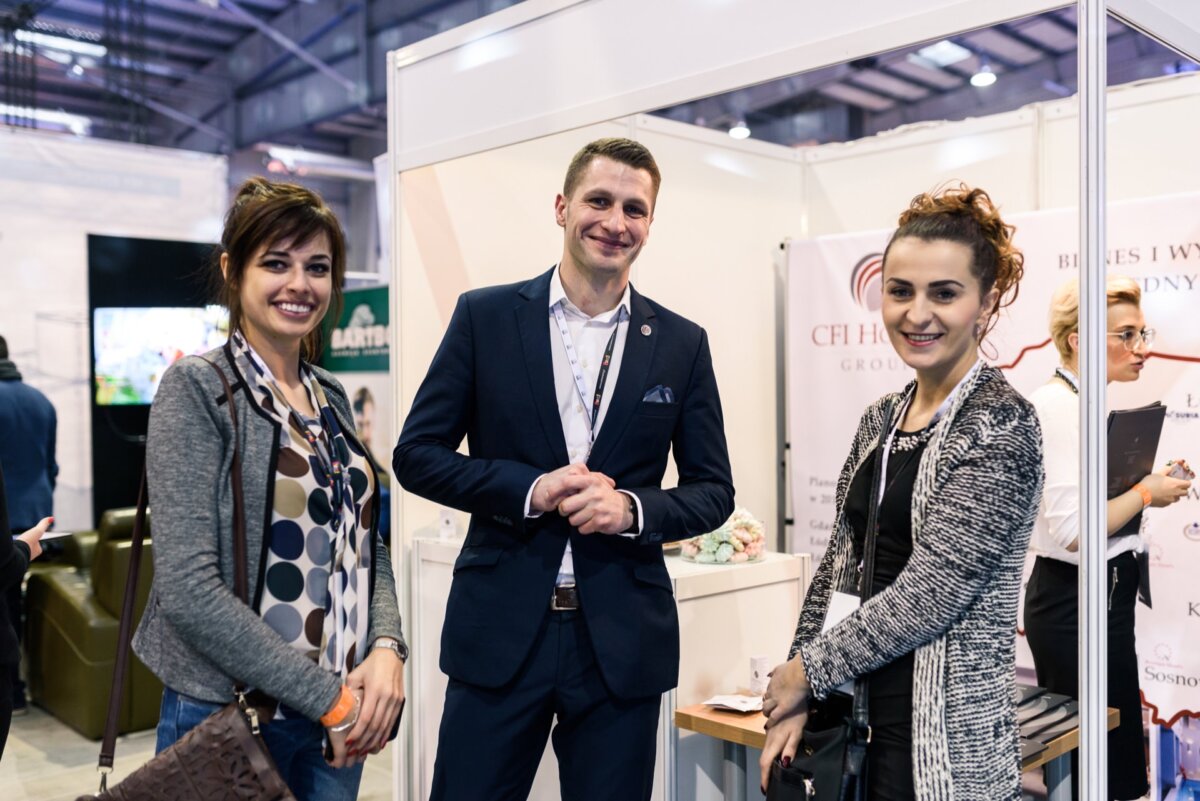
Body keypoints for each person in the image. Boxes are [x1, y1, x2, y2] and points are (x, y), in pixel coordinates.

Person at [393, 137, 735, 801]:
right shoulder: (485, 317)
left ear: (650, 223)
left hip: (620, 642)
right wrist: (528, 488)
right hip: (500, 631)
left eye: (635, 208)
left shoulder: (680, 343)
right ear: (562, 206)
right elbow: (416, 455)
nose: (615, 221)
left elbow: (713, 489)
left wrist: (633, 509)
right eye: (599, 200)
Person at [760, 185, 1044, 800]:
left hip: (947, 748)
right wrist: (798, 695)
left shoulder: (1002, 423)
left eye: (944, 293)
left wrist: (805, 672)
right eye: (900, 291)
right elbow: (839, 564)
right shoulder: (881, 418)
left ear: (985, 301)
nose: (918, 314)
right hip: (852, 726)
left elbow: (933, 594)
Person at [133, 177, 407, 801]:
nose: (299, 284)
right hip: (230, 720)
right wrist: (331, 700)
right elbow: (189, 590)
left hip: (337, 719)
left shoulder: (329, 395)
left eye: (317, 267)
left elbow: (365, 542)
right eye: (276, 263)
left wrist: (388, 645)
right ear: (233, 270)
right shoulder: (199, 390)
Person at [1023, 276, 1188, 800]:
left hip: (1100, 600)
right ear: (1079, 340)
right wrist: (1145, 494)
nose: (1142, 349)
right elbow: (1074, 530)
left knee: (1110, 766)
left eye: (1143, 332)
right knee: (1095, 774)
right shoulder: (1059, 408)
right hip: (1076, 606)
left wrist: (1145, 485)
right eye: (1127, 335)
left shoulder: (1082, 404)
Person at [0, 334, 58, 714]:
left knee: (5, 605)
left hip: (7, 522)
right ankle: (21, 689)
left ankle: (15, 690)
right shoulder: (42, 401)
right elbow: (50, 467)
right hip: (38, 515)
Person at [0, 465, 51, 758]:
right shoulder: (45, 414)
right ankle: (19, 690)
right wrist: (23, 550)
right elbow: (3, 566)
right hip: (30, 508)